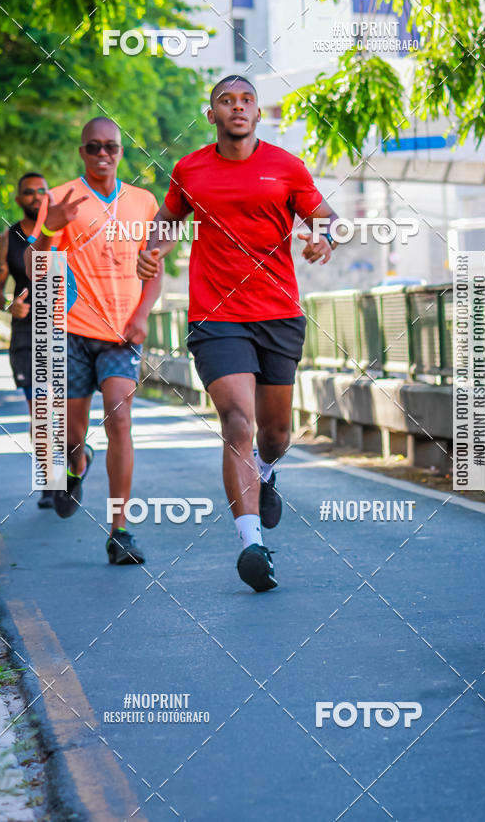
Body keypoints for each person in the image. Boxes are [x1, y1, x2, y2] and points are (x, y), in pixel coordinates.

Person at [137, 75, 338, 592]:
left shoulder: (285, 167)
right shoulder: (191, 169)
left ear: (257, 112)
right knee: (237, 423)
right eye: (227, 101)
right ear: (213, 115)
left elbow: (329, 218)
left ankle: (267, 473)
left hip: (277, 313)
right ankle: (252, 545)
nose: (238, 107)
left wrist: (323, 237)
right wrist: (153, 247)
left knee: (275, 435)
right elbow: (167, 218)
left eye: (246, 100)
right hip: (216, 316)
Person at [25, 117, 162, 565]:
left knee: (120, 420)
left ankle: (120, 531)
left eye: (112, 147)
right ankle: (75, 465)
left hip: (122, 335)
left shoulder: (143, 202)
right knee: (71, 434)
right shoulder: (59, 198)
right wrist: (50, 229)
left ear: (122, 151)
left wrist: (142, 315)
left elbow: (153, 269)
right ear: (81, 151)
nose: (103, 154)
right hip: (73, 330)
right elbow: (34, 266)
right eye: (93, 147)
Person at [0, 172, 53, 509]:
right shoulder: (7, 238)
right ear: (19, 199)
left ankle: (74, 462)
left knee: (68, 410)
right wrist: (8, 306)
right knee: (40, 408)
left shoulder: (64, 231)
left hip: (67, 328)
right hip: (27, 334)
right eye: (29, 192)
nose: (37, 196)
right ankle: (50, 480)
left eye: (42, 190)